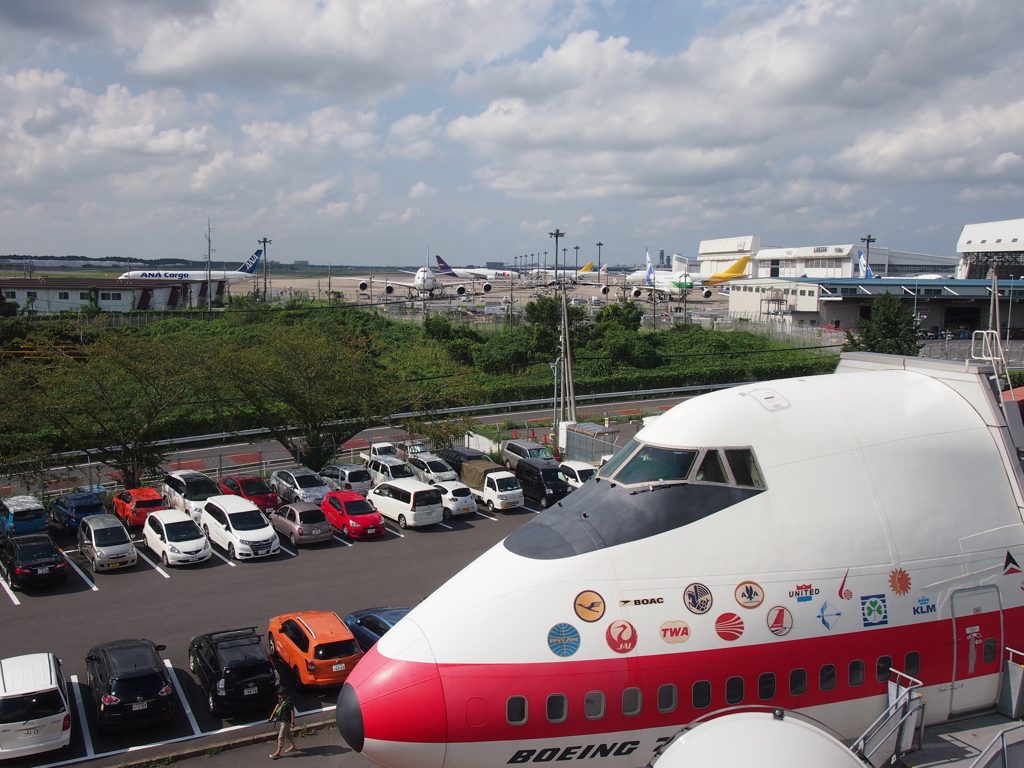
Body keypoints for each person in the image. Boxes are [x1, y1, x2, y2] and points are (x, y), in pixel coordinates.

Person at [269, 688, 297, 759]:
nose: (278, 696)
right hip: (282, 720)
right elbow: (277, 705)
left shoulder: (289, 701)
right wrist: (272, 715)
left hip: (286, 721)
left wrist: (293, 722)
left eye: (280, 695)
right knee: (288, 734)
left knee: (281, 736)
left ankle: (278, 752)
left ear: (284, 695)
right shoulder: (281, 700)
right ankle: (293, 746)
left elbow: (292, 712)